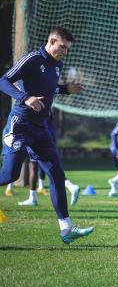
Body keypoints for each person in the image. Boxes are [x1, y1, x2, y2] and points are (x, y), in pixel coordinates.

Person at [0, 26, 93, 243]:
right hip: (20, 125)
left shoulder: (58, 64)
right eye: (62, 47)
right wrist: (25, 98)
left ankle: (66, 229)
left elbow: (49, 87)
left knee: (57, 176)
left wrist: (65, 89)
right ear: (51, 41)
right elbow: (3, 80)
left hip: (40, 129)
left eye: (68, 49)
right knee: (10, 175)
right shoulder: (32, 59)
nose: (65, 52)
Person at [18, 113, 81, 206]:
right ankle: (35, 195)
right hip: (48, 134)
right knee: (46, 165)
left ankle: (33, 197)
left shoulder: (34, 104)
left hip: (40, 135)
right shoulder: (46, 103)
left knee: (35, 166)